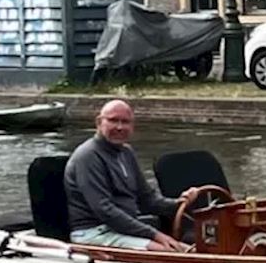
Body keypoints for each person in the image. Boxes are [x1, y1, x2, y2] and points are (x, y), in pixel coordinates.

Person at [64, 99, 191, 252]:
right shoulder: (88, 156)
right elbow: (105, 210)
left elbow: (147, 199)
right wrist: (155, 235)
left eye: (125, 122)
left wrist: (181, 204)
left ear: (132, 126)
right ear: (99, 122)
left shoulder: (126, 152)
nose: (119, 127)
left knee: (193, 250)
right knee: (170, 252)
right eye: (113, 120)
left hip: (123, 229)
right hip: (93, 233)